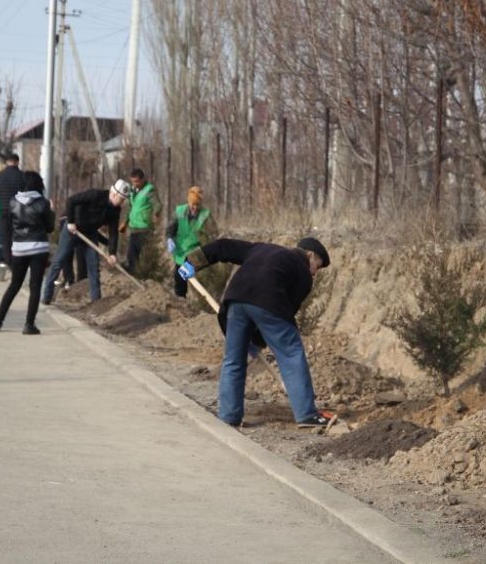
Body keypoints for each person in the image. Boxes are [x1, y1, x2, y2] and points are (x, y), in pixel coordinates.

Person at [179, 237, 334, 428]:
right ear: (309, 255)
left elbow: (222, 246)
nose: (314, 273)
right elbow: (284, 312)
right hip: (269, 302)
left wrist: (188, 263)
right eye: (316, 267)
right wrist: (260, 340)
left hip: (235, 300)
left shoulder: (261, 249)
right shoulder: (302, 274)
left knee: (233, 359)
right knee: (291, 353)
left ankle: (229, 416)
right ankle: (307, 414)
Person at [42, 179, 129, 305]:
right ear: (114, 194)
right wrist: (71, 222)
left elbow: (113, 232)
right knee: (59, 260)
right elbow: (71, 201)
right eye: (121, 199)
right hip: (73, 229)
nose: (122, 202)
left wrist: (112, 253)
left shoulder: (115, 211)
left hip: (90, 233)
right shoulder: (95, 195)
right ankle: (47, 296)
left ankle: (97, 303)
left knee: (94, 266)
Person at [0, 171, 56, 335]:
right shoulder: (43, 203)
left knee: (14, 285)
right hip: (39, 248)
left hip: (19, 249)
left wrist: (9, 249)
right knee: (35, 287)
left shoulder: (13, 202)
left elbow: (8, 227)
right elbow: (50, 228)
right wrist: (52, 211)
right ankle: (29, 324)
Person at [165, 186, 218, 298]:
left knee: (195, 280)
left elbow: (213, 236)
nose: (194, 208)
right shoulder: (179, 211)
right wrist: (169, 238)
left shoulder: (206, 215)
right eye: (192, 205)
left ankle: (202, 303)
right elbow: (170, 228)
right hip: (181, 252)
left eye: (197, 205)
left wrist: (204, 253)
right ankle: (181, 301)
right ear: (188, 202)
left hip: (198, 253)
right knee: (179, 278)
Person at [120, 168, 161, 276]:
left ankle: (142, 276)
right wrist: (125, 222)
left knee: (140, 254)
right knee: (132, 254)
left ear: (143, 179)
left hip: (144, 227)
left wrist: (156, 214)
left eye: (137, 181)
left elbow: (157, 204)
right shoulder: (132, 191)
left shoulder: (149, 190)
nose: (135, 184)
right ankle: (133, 276)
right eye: (133, 181)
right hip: (134, 227)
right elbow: (130, 208)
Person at [0, 153, 24, 265]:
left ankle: (8, 260)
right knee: (18, 236)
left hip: (4, 210)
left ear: (7, 162)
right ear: (17, 162)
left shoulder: (0, 176)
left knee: (6, 236)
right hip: (19, 211)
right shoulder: (22, 175)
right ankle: (17, 259)